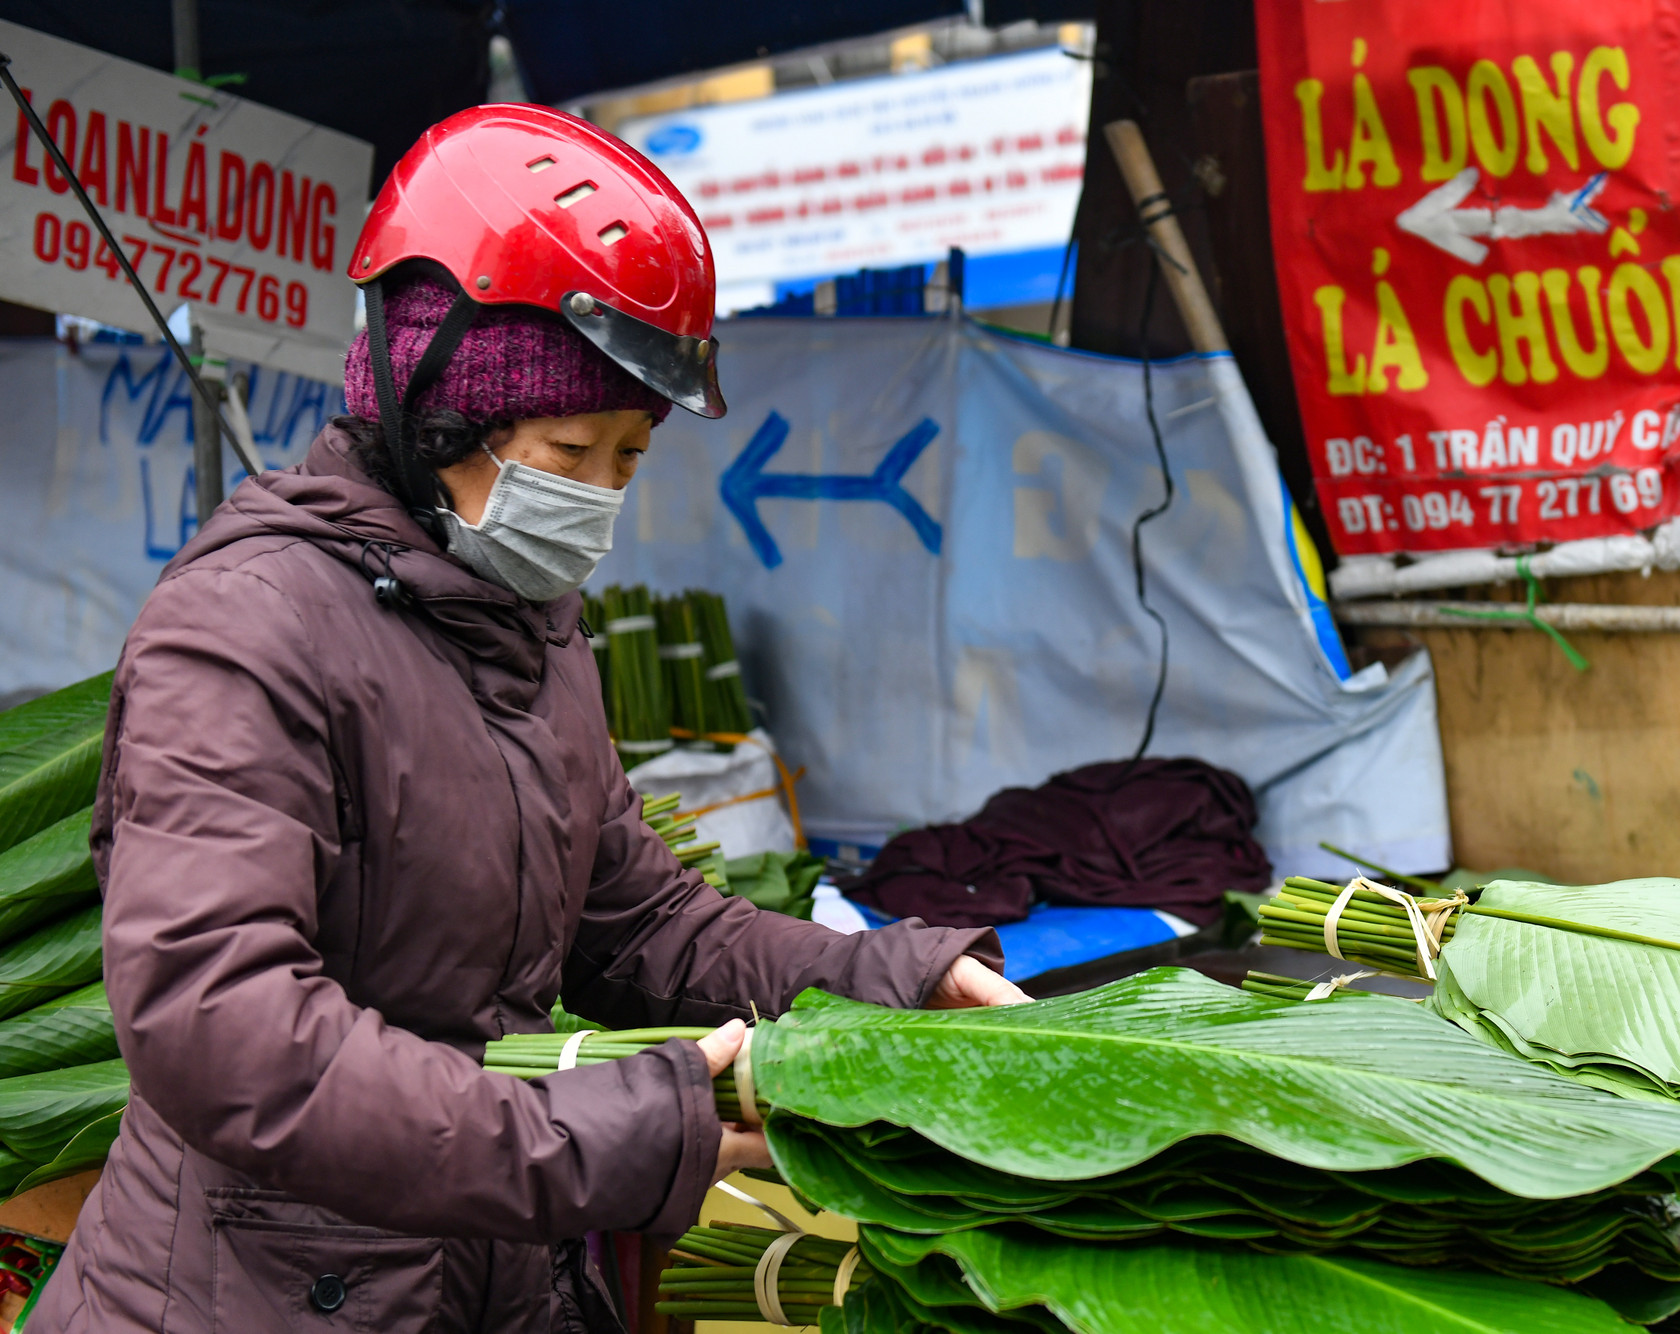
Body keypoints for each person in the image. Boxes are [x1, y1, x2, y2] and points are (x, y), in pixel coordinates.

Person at [31, 104, 1025, 1333]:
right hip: (272, 1291)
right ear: (437, 414)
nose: (598, 496)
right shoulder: (243, 629)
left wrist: (894, 975)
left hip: (491, 1274)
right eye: (571, 446)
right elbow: (223, 1028)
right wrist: (594, 1132)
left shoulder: (533, 624)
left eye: (626, 458)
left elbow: (639, 920)